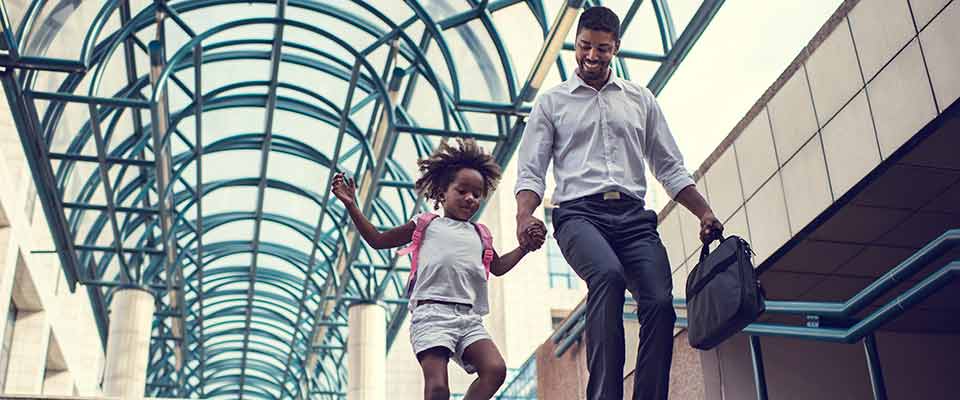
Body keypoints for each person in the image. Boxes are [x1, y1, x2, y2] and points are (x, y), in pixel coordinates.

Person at [513, 6, 723, 400]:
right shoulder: (552, 102)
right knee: (606, 275)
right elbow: (531, 171)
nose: (591, 56)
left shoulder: (640, 99)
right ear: (575, 43)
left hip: (633, 219)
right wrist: (524, 215)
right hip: (579, 215)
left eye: (602, 49)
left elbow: (669, 167)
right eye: (584, 47)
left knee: (660, 303)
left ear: (617, 48)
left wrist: (704, 210)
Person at [332, 138, 545, 400]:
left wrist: (525, 248)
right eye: (462, 191)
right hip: (430, 315)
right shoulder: (425, 224)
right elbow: (377, 240)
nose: (470, 198)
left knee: (495, 369)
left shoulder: (480, 234)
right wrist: (352, 205)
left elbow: (498, 268)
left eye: (477, 194)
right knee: (437, 389)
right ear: (443, 192)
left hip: (468, 319)